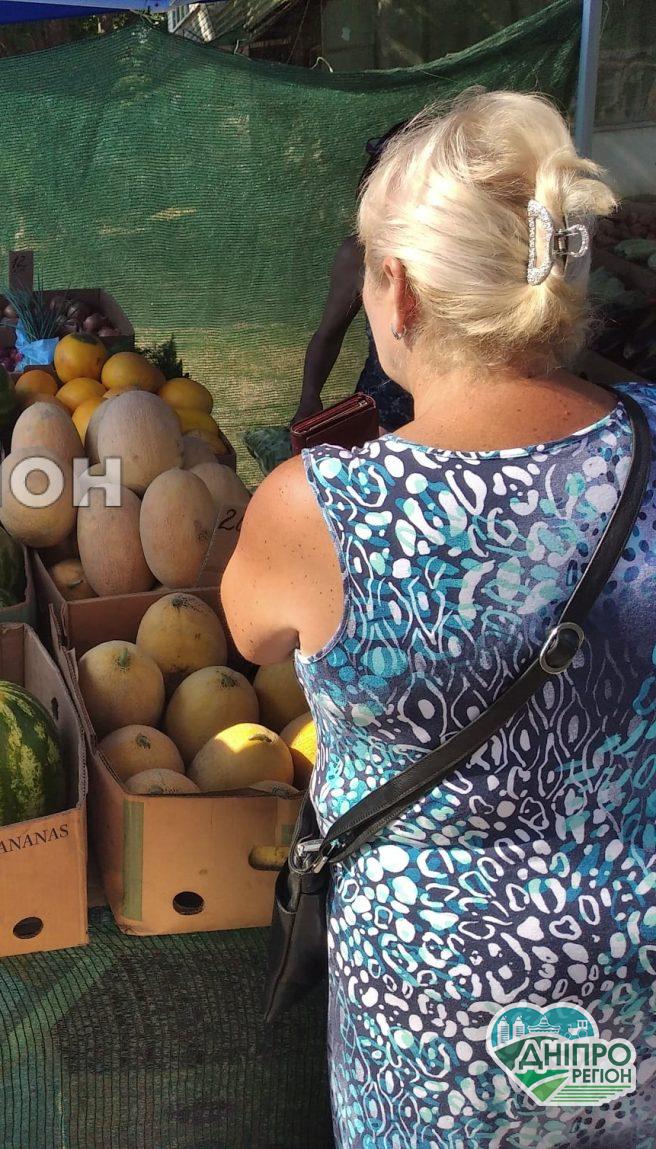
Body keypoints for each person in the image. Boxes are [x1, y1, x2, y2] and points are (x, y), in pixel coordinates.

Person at [223, 89, 655, 1146]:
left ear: (399, 289)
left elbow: (249, 634)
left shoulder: (319, 506)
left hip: (431, 1015)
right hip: (635, 978)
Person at [293, 122, 415, 431]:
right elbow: (328, 335)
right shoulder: (357, 255)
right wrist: (309, 397)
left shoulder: (461, 264)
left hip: (450, 427)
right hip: (378, 420)